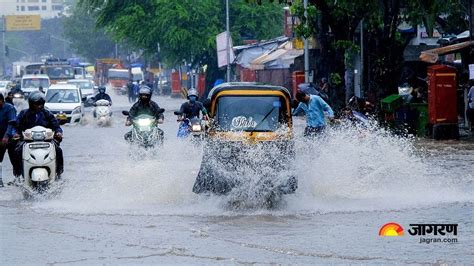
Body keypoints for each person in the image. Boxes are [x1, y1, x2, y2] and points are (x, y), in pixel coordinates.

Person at [11, 91, 64, 178]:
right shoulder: (23, 114)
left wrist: (59, 133)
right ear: (31, 104)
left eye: (41, 104)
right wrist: (15, 134)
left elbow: (57, 127)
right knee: (17, 151)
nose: (40, 106)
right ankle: (18, 175)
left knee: (58, 150)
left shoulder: (47, 114)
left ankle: (59, 173)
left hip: (46, 140)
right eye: (37, 104)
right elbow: (16, 126)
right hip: (27, 140)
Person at [0, 94, 17, 187]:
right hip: (0, 138)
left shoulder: (9, 108)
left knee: (15, 159)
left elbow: (12, 123)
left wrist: (6, 136)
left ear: (2, 101)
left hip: (11, 138)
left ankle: (18, 178)